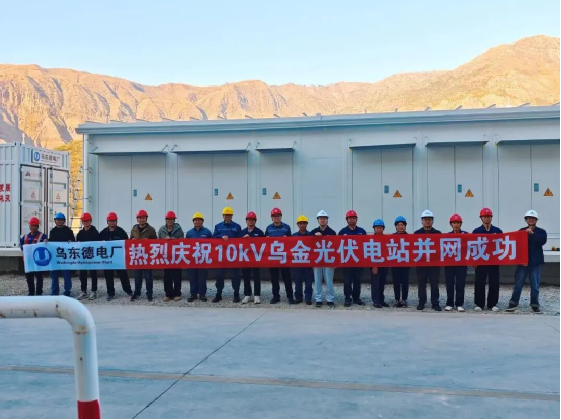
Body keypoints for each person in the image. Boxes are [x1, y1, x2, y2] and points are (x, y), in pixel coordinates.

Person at [507, 210, 548, 314]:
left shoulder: (541, 232)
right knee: (518, 284)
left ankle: (534, 305)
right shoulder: (521, 231)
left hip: (535, 263)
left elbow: (542, 241)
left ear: (536, 220)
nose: (531, 220)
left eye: (533, 218)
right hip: (523, 263)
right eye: (529, 218)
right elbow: (516, 245)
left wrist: (532, 234)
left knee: (535, 286)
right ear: (526, 220)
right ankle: (513, 303)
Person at [473, 208, 503, 312]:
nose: (486, 218)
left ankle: (492, 304)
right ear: (481, 218)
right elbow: (472, 247)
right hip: (480, 261)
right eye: (484, 217)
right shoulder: (476, 231)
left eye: (488, 217)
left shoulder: (497, 231)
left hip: (493, 261)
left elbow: (503, 244)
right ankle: (479, 304)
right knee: (479, 282)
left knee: (494, 282)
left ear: (491, 218)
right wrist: (474, 261)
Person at [100, 212, 134, 301]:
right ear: (107, 221)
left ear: (116, 221)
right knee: (108, 276)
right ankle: (110, 293)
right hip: (108, 259)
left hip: (119, 258)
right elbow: (98, 244)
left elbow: (127, 243)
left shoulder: (121, 232)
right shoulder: (103, 233)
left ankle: (128, 290)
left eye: (114, 221)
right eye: (110, 221)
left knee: (123, 275)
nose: (112, 223)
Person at [213, 207, 242, 303]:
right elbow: (213, 238)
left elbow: (241, 240)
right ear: (223, 216)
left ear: (232, 216)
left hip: (233, 256)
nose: (227, 217)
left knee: (235, 276)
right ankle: (218, 294)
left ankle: (236, 294)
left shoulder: (237, 227)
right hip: (221, 256)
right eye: (226, 215)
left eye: (229, 215)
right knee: (219, 276)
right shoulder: (218, 226)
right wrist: (220, 236)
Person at [415, 210, 442, 312]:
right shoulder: (417, 234)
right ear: (422, 221)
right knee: (421, 284)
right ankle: (421, 302)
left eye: (429, 219)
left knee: (434, 284)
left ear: (432, 221)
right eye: (425, 219)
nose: (427, 221)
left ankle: (435, 303)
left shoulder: (438, 233)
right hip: (421, 263)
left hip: (434, 264)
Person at [266, 208, 294, 305]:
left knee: (287, 278)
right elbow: (265, 243)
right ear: (271, 218)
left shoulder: (286, 227)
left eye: (278, 215)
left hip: (284, 257)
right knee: (274, 278)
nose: (276, 217)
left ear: (281, 217)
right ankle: (276, 296)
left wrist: (287, 239)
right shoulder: (268, 228)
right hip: (273, 257)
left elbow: (291, 242)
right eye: (274, 216)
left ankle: (290, 296)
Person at [339, 210, 367, 307]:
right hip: (347, 261)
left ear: (356, 219)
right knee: (347, 281)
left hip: (358, 261)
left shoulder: (362, 232)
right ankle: (347, 298)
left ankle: (356, 298)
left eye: (353, 218)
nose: (352, 220)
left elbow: (365, 246)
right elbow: (338, 246)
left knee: (357, 280)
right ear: (347, 220)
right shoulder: (342, 232)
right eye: (350, 218)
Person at [311, 210, 338, 308]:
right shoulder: (313, 232)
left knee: (329, 281)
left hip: (329, 260)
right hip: (317, 260)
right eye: (320, 218)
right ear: (318, 220)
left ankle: (330, 299)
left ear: (327, 220)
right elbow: (309, 245)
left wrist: (336, 261)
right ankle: (318, 299)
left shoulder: (332, 232)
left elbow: (336, 247)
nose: (322, 220)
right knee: (317, 280)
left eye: (324, 218)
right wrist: (314, 237)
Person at [130, 209, 157, 302]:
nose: (141, 219)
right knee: (137, 277)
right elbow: (130, 241)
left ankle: (149, 294)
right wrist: (132, 240)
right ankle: (137, 293)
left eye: (143, 218)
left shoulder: (151, 229)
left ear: (146, 219)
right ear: (137, 219)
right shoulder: (134, 229)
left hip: (147, 256)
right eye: (140, 218)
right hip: (137, 256)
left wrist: (149, 241)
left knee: (148, 277)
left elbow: (156, 242)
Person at [185, 212, 213, 303]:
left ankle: (202, 294)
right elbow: (185, 246)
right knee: (192, 277)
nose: (197, 221)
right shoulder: (189, 233)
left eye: (199, 220)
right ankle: (193, 294)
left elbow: (213, 245)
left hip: (203, 259)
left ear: (202, 221)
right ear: (193, 221)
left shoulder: (207, 232)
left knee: (202, 278)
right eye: (195, 220)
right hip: (192, 259)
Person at [159, 211, 185, 302]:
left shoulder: (179, 229)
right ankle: (168, 294)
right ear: (165, 220)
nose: (170, 221)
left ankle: (177, 293)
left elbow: (182, 241)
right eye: (168, 219)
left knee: (177, 276)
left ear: (174, 220)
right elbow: (158, 242)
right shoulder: (162, 229)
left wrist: (175, 240)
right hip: (166, 256)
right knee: (167, 276)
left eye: (171, 219)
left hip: (176, 256)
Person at [444, 214, 468, 312]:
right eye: (454, 223)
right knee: (449, 284)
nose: (456, 225)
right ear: (451, 224)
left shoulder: (466, 235)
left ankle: (459, 304)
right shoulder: (447, 236)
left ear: (460, 224)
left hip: (462, 264)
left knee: (460, 284)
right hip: (449, 264)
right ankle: (449, 303)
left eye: (458, 223)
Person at [49, 212, 75, 297]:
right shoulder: (53, 231)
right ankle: (54, 291)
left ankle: (67, 291)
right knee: (54, 274)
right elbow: (50, 242)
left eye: (61, 220)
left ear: (64, 221)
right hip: (55, 256)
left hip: (65, 256)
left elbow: (73, 242)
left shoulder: (68, 231)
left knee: (66, 274)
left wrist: (71, 241)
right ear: (55, 221)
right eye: (57, 220)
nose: (59, 221)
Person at [241, 212, 265, 305]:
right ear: (246, 221)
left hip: (256, 258)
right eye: (249, 220)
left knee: (256, 276)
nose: (250, 221)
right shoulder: (242, 232)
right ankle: (247, 294)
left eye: (252, 220)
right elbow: (237, 244)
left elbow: (265, 243)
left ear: (255, 221)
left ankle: (257, 295)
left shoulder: (259, 232)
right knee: (246, 276)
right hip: (245, 258)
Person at [20, 217, 47, 296]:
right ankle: (31, 292)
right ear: (29, 226)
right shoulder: (25, 237)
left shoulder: (42, 236)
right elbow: (21, 246)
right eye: (32, 226)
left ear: (38, 226)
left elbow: (46, 245)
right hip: (28, 260)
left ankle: (39, 293)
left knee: (39, 277)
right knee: (29, 277)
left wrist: (46, 241)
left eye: (35, 226)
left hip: (38, 261)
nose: (33, 227)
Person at [76, 212, 100, 301]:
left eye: (87, 221)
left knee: (93, 274)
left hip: (92, 257)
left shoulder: (95, 232)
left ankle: (94, 291)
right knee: (82, 274)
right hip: (83, 257)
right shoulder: (80, 233)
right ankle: (83, 291)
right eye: (84, 221)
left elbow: (98, 243)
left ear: (91, 221)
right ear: (82, 222)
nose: (86, 222)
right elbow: (76, 244)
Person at [292, 215, 314, 305]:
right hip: (297, 262)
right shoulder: (293, 236)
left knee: (309, 282)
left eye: (304, 223)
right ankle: (298, 297)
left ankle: (308, 298)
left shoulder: (311, 235)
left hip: (308, 262)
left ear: (306, 224)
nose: (302, 225)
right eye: (300, 223)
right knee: (297, 281)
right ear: (298, 225)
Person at [392, 216, 411, 308]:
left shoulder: (409, 237)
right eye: (399, 225)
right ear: (396, 226)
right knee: (396, 282)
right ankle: (397, 299)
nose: (400, 226)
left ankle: (404, 299)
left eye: (402, 225)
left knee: (405, 282)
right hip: (395, 263)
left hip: (405, 263)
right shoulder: (392, 237)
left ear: (405, 226)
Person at [371, 219, 389, 309]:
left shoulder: (386, 239)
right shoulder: (371, 239)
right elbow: (370, 253)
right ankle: (376, 301)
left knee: (382, 283)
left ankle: (381, 300)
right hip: (374, 264)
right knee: (375, 284)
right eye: (377, 228)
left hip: (384, 264)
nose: (379, 229)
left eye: (380, 228)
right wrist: (374, 265)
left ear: (383, 229)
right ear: (374, 229)